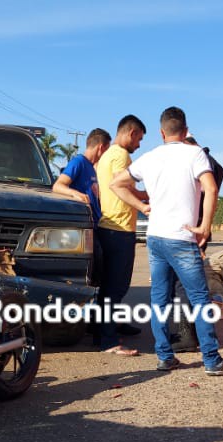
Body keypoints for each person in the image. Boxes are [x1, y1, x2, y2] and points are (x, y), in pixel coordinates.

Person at [109, 106, 223, 376]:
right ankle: (212, 361)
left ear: (161, 132)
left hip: (156, 238)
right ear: (185, 129)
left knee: (159, 300)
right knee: (200, 300)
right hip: (182, 238)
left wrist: (142, 205)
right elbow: (211, 187)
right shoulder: (195, 154)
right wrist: (204, 226)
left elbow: (115, 184)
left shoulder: (149, 157)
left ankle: (165, 357)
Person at [95, 115, 148, 355]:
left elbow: (123, 188)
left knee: (109, 287)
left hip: (110, 227)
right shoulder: (120, 155)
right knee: (115, 288)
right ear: (132, 132)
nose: (139, 145)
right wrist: (143, 206)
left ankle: (105, 329)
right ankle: (108, 341)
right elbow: (119, 185)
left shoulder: (107, 154)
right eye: (139, 139)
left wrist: (145, 195)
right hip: (118, 228)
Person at [52, 128, 110, 224]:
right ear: (101, 148)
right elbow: (57, 186)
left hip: (95, 224)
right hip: (83, 223)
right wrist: (76, 194)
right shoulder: (78, 162)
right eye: (106, 150)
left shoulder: (92, 167)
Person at [183, 133, 223, 254]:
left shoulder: (203, 161)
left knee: (194, 259)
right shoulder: (210, 161)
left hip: (196, 221)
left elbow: (209, 190)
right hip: (199, 220)